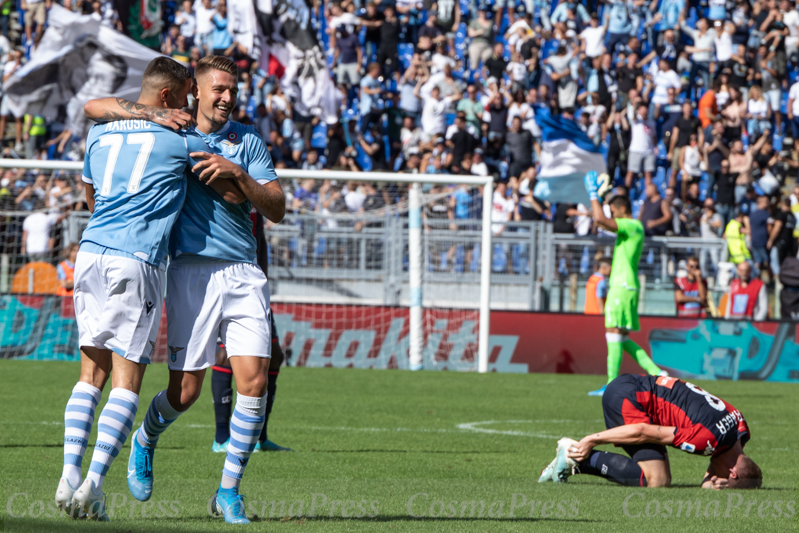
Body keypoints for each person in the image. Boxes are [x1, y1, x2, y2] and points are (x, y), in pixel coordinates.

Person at [84, 56, 286, 525]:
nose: (227, 97)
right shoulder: (173, 134)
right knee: (186, 391)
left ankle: (229, 492)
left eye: (233, 90)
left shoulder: (248, 141)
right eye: (218, 89)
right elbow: (95, 108)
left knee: (253, 380)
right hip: (188, 272)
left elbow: (275, 208)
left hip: (243, 271)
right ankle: (146, 438)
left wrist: (237, 174)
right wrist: (149, 112)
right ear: (195, 91)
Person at [61, 57, 214, 521]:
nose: (189, 106)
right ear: (167, 96)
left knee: (90, 373)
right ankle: (93, 486)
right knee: (128, 382)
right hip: (137, 259)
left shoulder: (100, 133)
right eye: (186, 96)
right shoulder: (181, 139)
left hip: (90, 252)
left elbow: (90, 193)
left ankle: (68, 474)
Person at [539, 374, 760, 490]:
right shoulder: (707, 439)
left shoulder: (740, 430)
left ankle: (573, 457)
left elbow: (711, 473)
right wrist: (591, 440)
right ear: (733, 473)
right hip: (630, 399)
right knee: (657, 480)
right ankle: (574, 455)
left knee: (660, 477)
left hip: (637, 385)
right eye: (729, 483)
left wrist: (710, 486)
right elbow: (644, 432)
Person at [583, 172, 665, 397]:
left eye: (613, 210)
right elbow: (603, 216)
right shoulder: (632, 227)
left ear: (620, 210)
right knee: (623, 338)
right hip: (626, 286)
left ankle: (611, 385)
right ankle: (657, 372)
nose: (611, 214)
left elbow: (600, 219)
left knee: (612, 332)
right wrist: (604, 194)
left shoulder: (631, 225)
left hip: (622, 286)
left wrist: (593, 194)